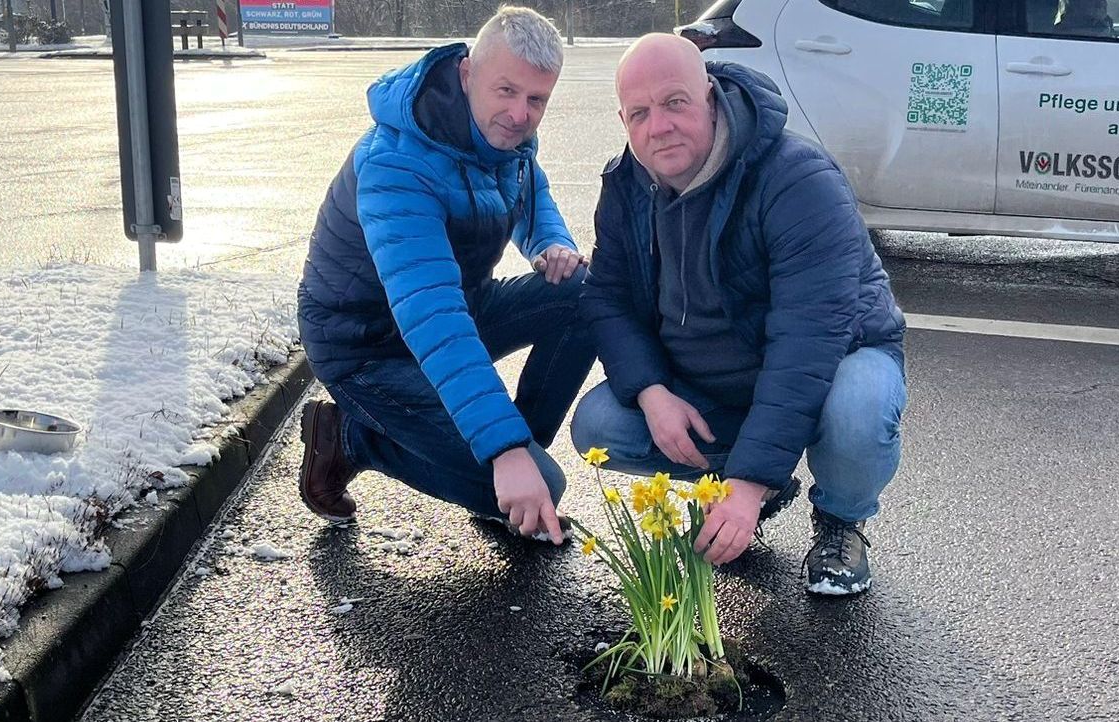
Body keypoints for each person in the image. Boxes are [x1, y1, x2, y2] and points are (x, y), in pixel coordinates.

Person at [571, 34, 907, 595]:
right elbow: (606, 298)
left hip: (834, 359)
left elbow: (808, 342)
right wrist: (652, 392)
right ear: (623, 121)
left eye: (675, 102)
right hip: (712, 381)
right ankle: (757, 480)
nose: (659, 126)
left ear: (710, 96)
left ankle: (840, 522)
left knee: (859, 408)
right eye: (640, 113)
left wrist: (747, 482)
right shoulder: (625, 184)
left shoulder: (796, 179)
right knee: (601, 424)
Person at [296, 6, 593, 545]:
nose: (521, 114)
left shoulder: (505, 135)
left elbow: (529, 187)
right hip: (367, 346)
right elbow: (432, 315)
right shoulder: (397, 164)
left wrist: (551, 241)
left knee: (584, 293)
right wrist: (503, 451)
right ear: (466, 74)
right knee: (538, 482)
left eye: (536, 100)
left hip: (460, 304)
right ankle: (346, 438)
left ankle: (512, 469)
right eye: (506, 91)